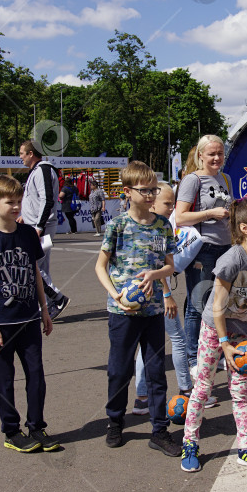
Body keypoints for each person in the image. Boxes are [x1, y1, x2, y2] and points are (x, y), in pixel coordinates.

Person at [180, 197, 247, 474]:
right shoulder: (231, 259)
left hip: (243, 334)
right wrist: (224, 343)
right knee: (202, 389)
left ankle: (246, 448)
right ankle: (190, 442)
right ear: (245, 227)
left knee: (240, 392)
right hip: (216, 330)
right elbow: (216, 306)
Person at [94, 161, 181, 457]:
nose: (150, 194)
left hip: (153, 312)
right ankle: (115, 422)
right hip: (123, 313)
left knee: (157, 371)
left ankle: (159, 430)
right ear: (128, 192)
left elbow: (170, 265)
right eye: (144, 190)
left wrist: (156, 276)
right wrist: (115, 295)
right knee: (119, 370)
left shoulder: (163, 225)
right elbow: (100, 266)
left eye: (153, 189)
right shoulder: (117, 225)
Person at [0, 174, 58, 453]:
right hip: (3, 324)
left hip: (30, 319)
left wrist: (45, 310)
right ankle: (11, 430)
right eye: (11, 202)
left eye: (20, 201)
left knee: (36, 374)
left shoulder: (28, 234)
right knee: (4, 379)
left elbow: (35, 273)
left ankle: (36, 426)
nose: (17, 206)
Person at [130, 182, 208, 417]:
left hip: (144, 294)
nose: (172, 208)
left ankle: (142, 398)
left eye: (174, 204)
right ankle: (186, 391)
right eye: (167, 203)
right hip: (153, 295)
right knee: (178, 339)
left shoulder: (153, 225)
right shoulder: (156, 228)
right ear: (152, 202)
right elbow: (156, 265)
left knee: (147, 347)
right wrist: (167, 295)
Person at [175, 135, 233, 372]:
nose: (217, 158)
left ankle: (213, 350)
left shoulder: (225, 178)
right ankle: (192, 359)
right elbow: (180, 217)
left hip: (225, 247)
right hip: (203, 249)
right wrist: (211, 214)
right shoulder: (192, 180)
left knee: (218, 304)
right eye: (211, 154)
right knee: (197, 304)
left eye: (220, 153)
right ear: (200, 155)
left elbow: (226, 208)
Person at [17, 140, 69, 320]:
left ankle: (57, 298)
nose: (20, 157)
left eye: (22, 153)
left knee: (32, 266)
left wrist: (38, 226)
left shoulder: (43, 170)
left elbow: (47, 200)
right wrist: (25, 214)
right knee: (41, 266)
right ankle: (47, 304)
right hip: (37, 224)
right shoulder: (37, 171)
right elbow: (36, 199)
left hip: (41, 227)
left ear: (31, 154)